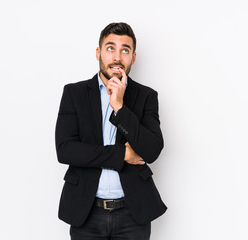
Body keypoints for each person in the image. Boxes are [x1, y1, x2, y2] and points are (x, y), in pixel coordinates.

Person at [55, 22, 166, 240]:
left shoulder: (146, 96)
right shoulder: (74, 93)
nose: (117, 57)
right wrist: (122, 154)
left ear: (133, 58)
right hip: (86, 211)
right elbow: (66, 150)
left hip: (132, 213)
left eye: (125, 50)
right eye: (110, 48)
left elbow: (152, 151)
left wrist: (120, 108)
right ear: (99, 53)